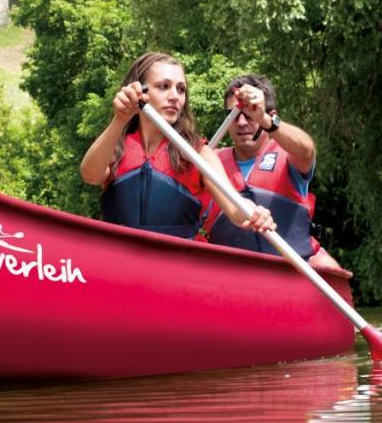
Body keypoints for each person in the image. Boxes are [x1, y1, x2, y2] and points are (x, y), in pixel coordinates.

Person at [80, 52, 276, 240]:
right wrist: (120, 119)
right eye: (163, 86)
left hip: (176, 264)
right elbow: (91, 175)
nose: (175, 96)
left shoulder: (198, 151)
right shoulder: (116, 145)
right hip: (119, 260)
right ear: (141, 92)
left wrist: (254, 212)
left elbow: (236, 208)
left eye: (181, 89)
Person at [207, 75, 347, 273]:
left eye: (248, 114)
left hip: (289, 272)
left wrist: (265, 119)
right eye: (233, 115)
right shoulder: (208, 160)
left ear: (270, 114)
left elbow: (307, 150)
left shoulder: (291, 155)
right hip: (230, 277)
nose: (240, 122)